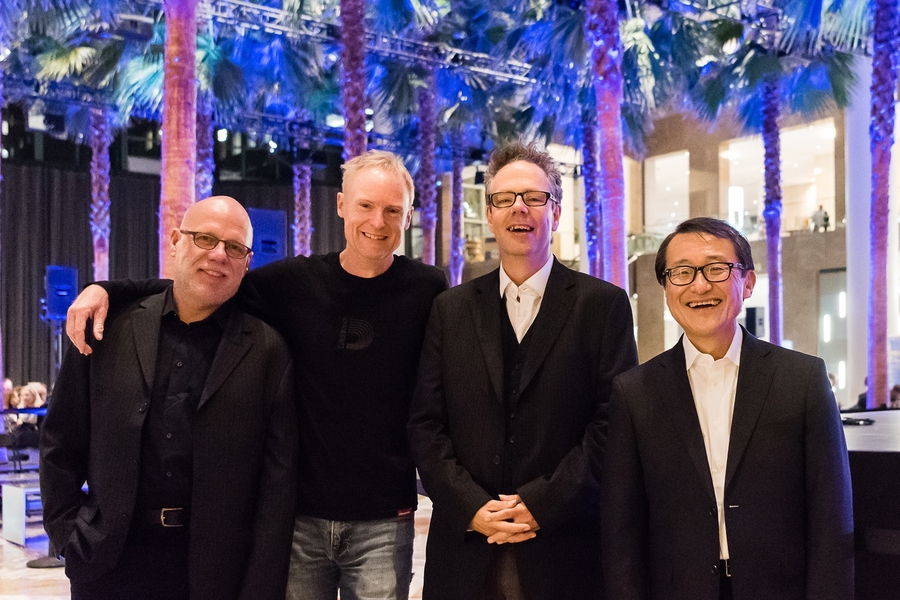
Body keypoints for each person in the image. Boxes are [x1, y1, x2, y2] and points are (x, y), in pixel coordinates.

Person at [64, 151, 449, 600]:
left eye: (393, 210)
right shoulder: (294, 282)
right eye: (366, 205)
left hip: (386, 517)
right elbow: (203, 283)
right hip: (301, 518)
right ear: (342, 204)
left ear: (408, 217)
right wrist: (107, 289)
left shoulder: (429, 288)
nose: (377, 221)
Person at [408, 140, 638, 600]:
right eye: (504, 198)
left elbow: (612, 424)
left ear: (555, 212)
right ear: (490, 214)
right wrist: (471, 506)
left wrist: (542, 503)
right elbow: (426, 423)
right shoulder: (450, 310)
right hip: (464, 553)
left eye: (534, 197)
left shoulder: (602, 306)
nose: (519, 208)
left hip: (565, 552)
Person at [41, 196, 298, 600]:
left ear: (247, 262)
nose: (219, 255)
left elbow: (276, 489)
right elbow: (60, 442)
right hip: (108, 564)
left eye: (234, 247)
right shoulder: (107, 329)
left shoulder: (267, 351)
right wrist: (68, 536)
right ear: (176, 240)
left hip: (216, 574)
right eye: (205, 239)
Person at [601, 217, 853, 600]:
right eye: (682, 272)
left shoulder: (802, 380)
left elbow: (831, 517)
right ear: (667, 290)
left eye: (716, 268)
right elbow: (622, 531)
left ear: (748, 282)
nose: (700, 285)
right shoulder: (634, 393)